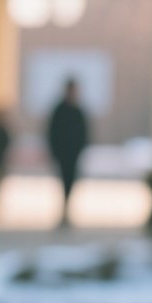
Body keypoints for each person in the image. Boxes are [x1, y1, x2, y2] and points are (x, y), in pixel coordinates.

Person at [47, 78, 90, 230]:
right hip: (63, 154)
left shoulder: (78, 111)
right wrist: (54, 151)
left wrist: (81, 149)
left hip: (74, 155)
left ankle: (67, 211)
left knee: (70, 183)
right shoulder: (60, 110)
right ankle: (64, 212)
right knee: (64, 182)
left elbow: (84, 133)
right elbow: (52, 132)